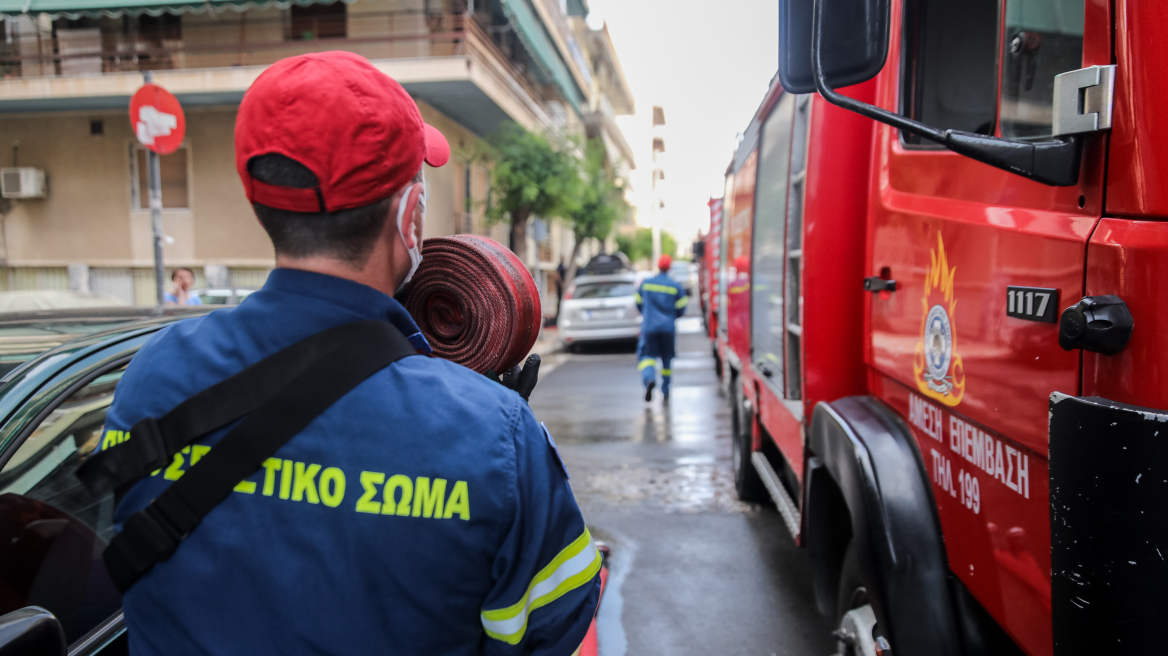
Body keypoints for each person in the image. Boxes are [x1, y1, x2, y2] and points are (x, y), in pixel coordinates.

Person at [100, 52, 600, 655]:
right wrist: (495, 431)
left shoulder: (149, 376)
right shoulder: (493, 434)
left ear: (262, 200)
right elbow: (554, 631)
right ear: (410, 216)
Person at [635, 254, 688, 402]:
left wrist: (647, 314)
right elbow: (682, 307)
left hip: (649, 327)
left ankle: (649, 379)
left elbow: (638, 302)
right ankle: (665, 390)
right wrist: (671, 317)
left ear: (658, 265)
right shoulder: (675, 286)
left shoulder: (646, 283)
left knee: (647, 357)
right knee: (666, 358)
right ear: (669, 267)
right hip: (668, 328)